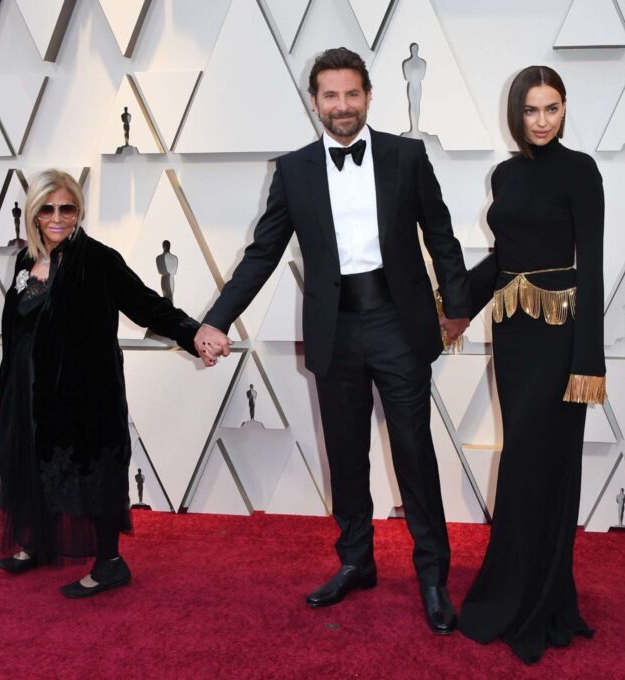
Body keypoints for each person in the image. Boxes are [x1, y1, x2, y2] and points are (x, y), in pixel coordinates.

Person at [196, 47, 471, 634]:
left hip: (398, 324)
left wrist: (459, 306)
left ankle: (431, 575)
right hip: (335, 330)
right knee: (345, 456)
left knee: (413, 455)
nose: (341, 106)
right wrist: (217, 319)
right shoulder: (293, 170)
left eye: (351, 94)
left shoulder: (406, 155)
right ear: (315, 101)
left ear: (368, 97)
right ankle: (356, 562)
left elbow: (441, 236)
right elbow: (262, 254)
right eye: (330, 96)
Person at [0, 169, 212, 598]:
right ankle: (37, 543)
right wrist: (8, 385)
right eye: (47, 209)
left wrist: (194, 332)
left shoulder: (98, 259)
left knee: (96, 472)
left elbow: (148, 306)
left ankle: (110, 563)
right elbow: (13, 328)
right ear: (33, 214)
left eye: (67, 208)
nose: (57, 218)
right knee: (32, 465)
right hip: (29, 390)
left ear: (79, 211)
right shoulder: (22, 261)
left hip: (84, 391)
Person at [458, 65, 606, 663]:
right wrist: (451, 301)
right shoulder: (505, 174)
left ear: (565, 109)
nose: (542, 120)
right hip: (513, 332)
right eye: (531, 110)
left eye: (552, 108)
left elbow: (591, 266)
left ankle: (537, 599)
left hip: (560, 338)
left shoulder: (581, 171)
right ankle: (514, 590)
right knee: (522, 459)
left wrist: (588, 362)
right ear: (516, 114)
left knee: (535, 464)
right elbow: (503, 259)